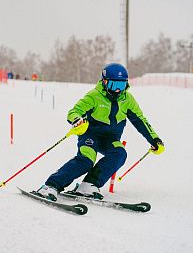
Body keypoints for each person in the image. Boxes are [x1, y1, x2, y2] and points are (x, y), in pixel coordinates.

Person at [37, 63, 165, 201]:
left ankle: (88, 185)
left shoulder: (128, 100)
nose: (117, 90)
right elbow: (74, 112)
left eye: (121, 85)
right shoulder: (94, 96)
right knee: (86, 160)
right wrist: (77, 120)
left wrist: (154, 139)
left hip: (110, 139)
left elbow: (141, 120)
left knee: (119, 154)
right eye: (113, 85)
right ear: (104, 82)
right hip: (90, 135)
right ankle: (51, 186)